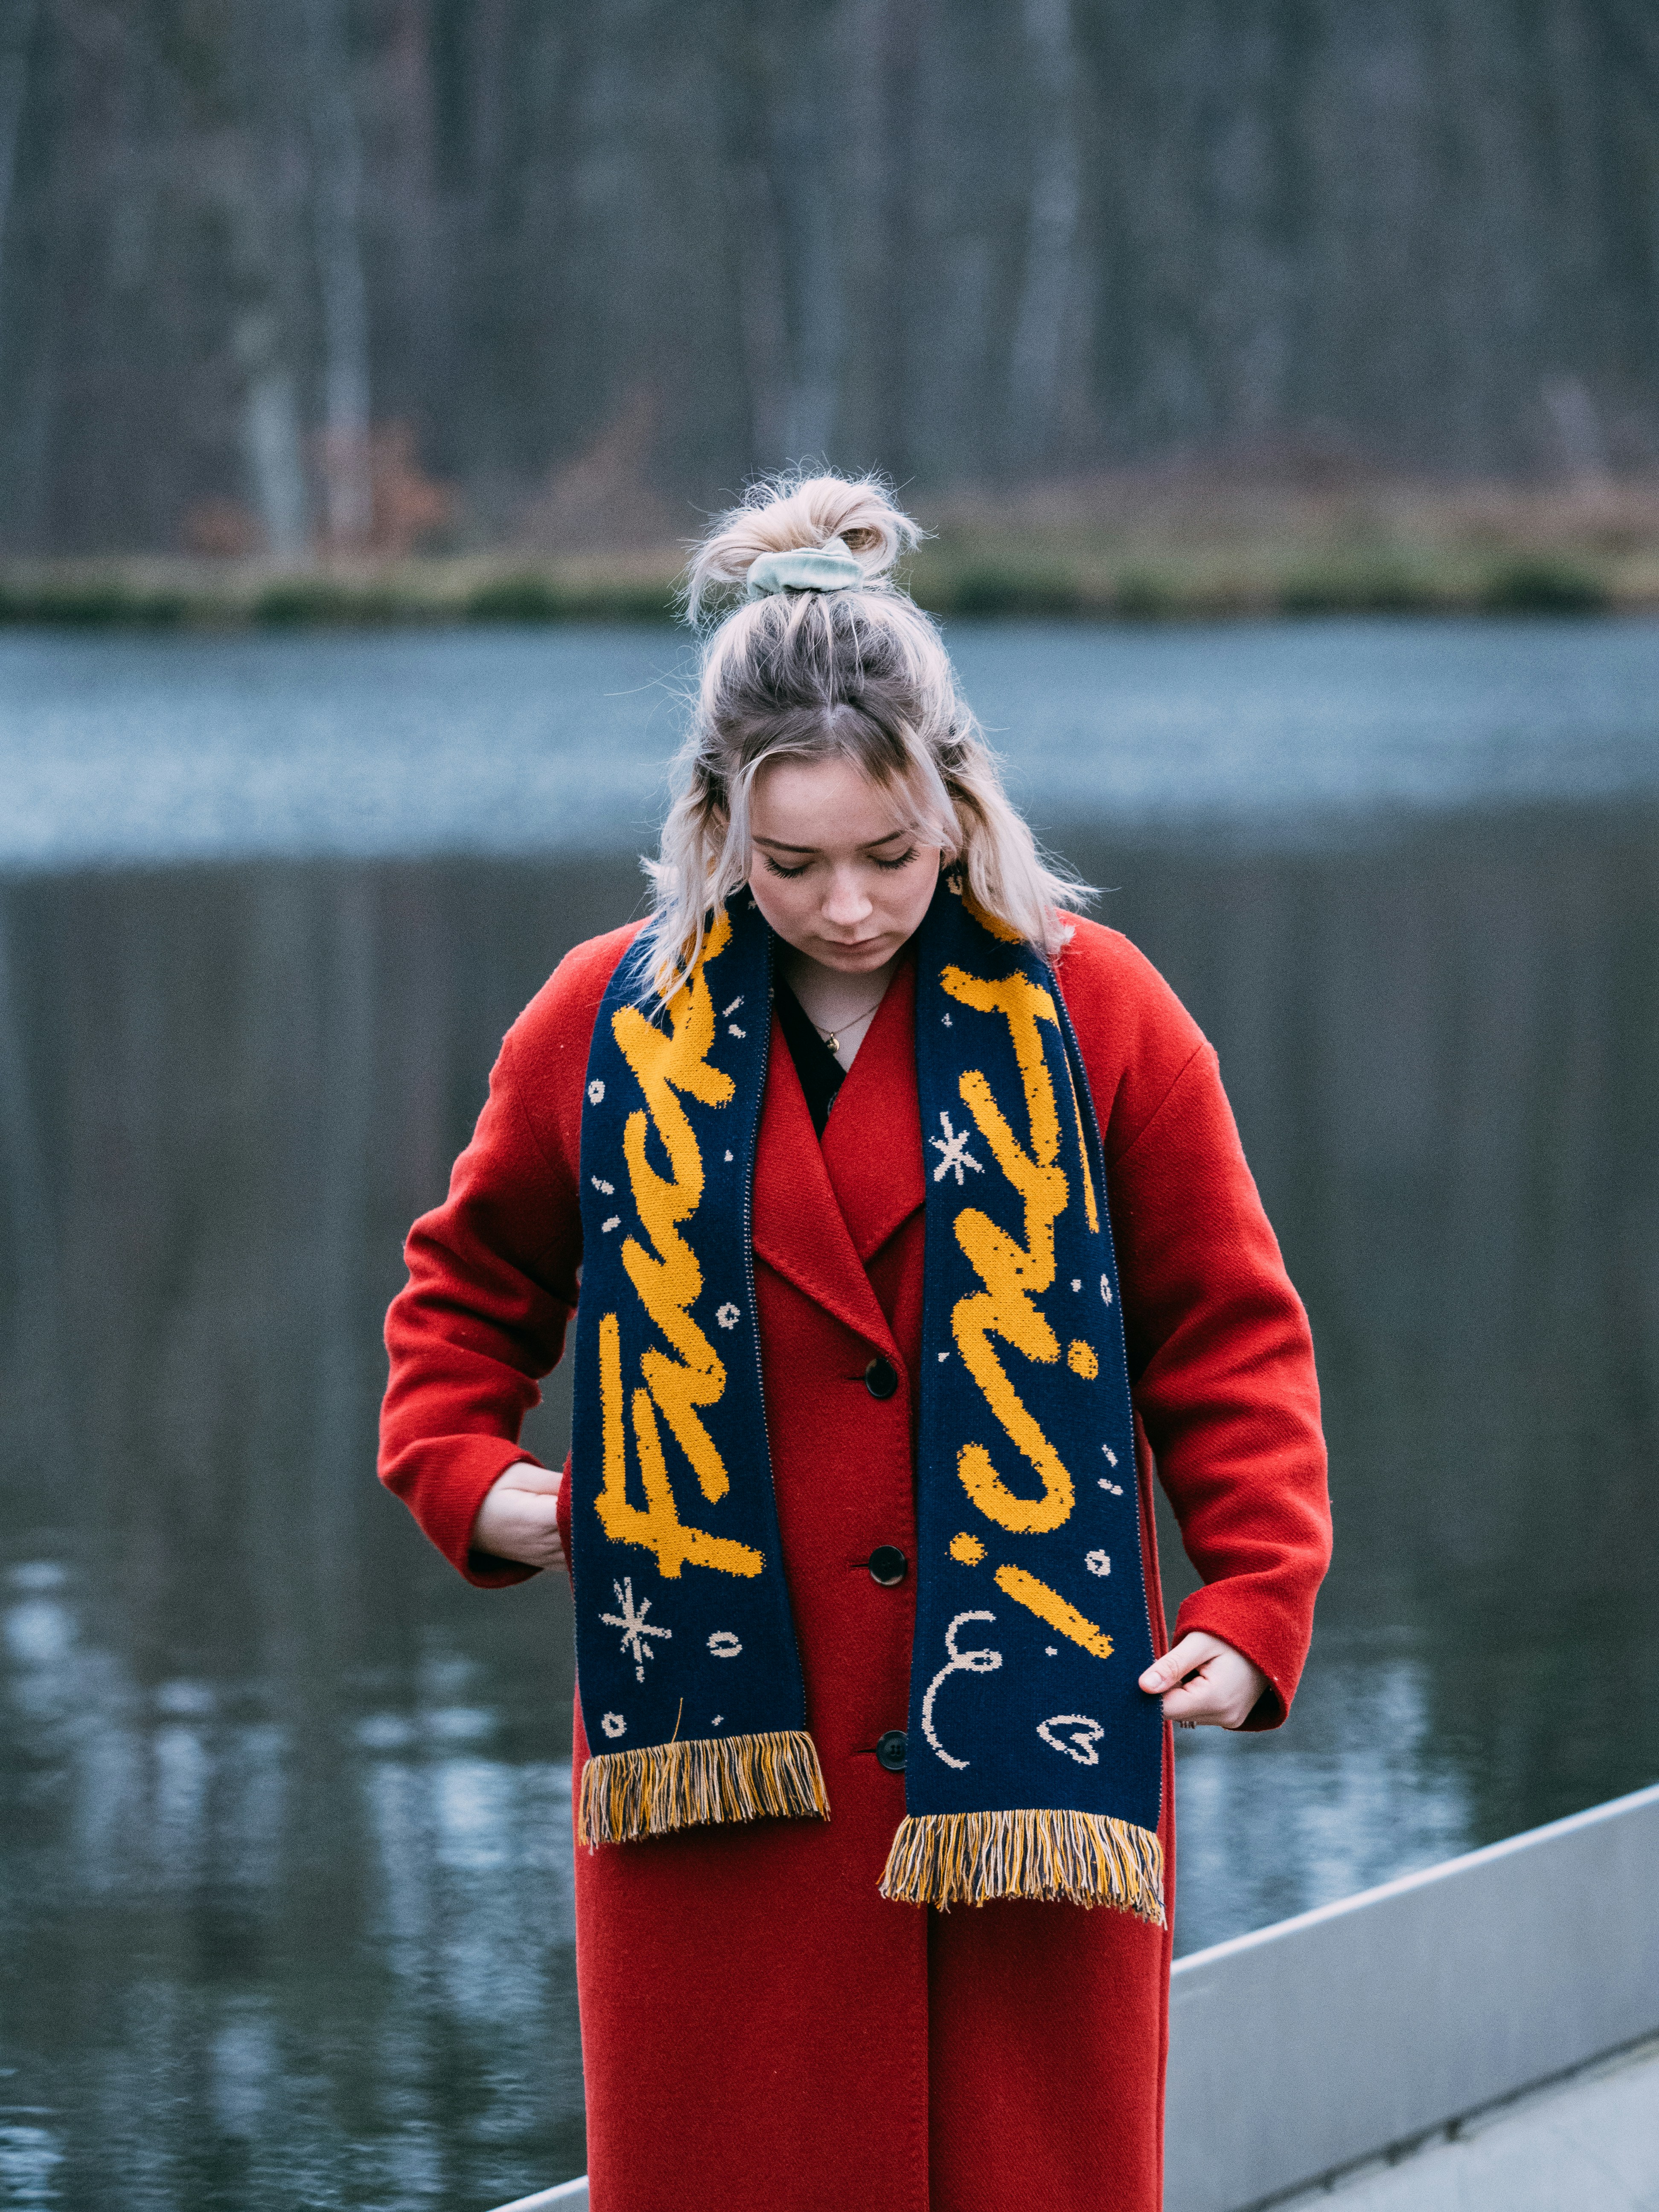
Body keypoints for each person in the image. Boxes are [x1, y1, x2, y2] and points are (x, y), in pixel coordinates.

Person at [378, 471, 1331, 2212]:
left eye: (891, 856)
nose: (846, 906)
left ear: (956, 802)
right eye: (793, 862)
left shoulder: (1096, 1008)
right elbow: (466, 1295)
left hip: (1030, 1739)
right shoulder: (603, 1020)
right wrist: (464, 1474)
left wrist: (1257, 1599)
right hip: (728, 1766)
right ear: (716, 824)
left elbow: (1226, 1330)